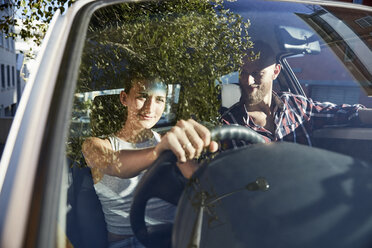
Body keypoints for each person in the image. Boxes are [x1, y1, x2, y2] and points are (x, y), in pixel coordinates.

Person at [82, 75, 218, 248]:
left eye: (159, 99)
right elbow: (112, 164)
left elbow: (201, 185)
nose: (150, 108)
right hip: (127, 243)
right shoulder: (94, 145)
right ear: (124, 98)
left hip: (175, 237)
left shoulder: (168, 142)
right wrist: (157, 152)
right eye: (142, 96)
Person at [220, 40, 372, 146]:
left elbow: (341, 112)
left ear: (276, 72)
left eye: (256, 72)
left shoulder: (295, 105)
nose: (247, 80)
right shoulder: (229, 124)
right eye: (243, 72)